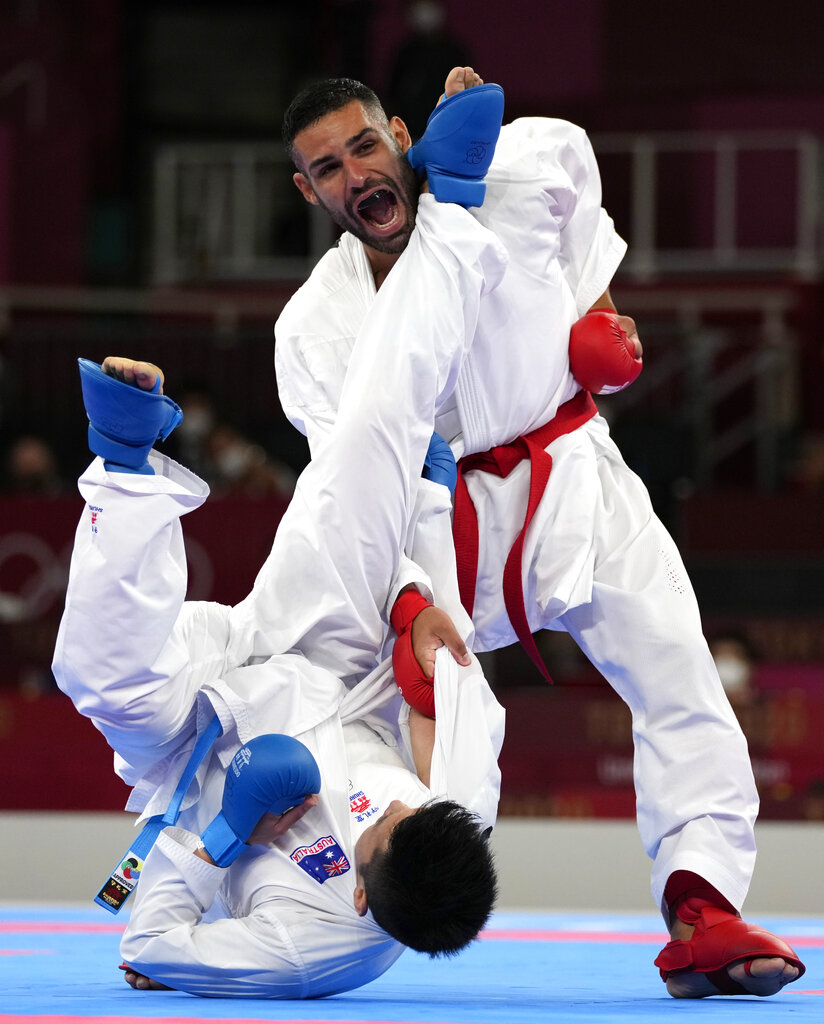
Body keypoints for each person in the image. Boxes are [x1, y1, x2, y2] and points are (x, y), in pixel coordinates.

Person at [273, 67, 806, 997]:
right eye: (327, 168)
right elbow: (351, 490)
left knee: (680, 672)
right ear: (307, 191)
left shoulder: (521, 165)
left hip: (572, 471)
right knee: (392, 731)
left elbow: (579, 199)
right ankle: (339, 888)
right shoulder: (313, 328)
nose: (355, 174)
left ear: (400, 134)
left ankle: (703, 908)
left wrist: (591, 315)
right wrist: (404, 600)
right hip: (437, 526)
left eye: (364, 146)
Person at [52, 350, 504, 998]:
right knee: (372, 559)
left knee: (108, 684)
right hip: (322, 668)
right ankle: (408, 467)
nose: (404, 801)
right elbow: (444, 684)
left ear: (357, 893)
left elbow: (150, 947)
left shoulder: (304, 951)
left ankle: (123, 453)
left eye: (386, 822)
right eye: (414, 807)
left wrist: (227, 835)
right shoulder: (450, 819)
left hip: (195, 740)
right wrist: (417, 582)